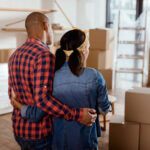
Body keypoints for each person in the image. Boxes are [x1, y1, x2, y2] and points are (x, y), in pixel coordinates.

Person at [8, 12, 97, 150]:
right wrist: (77, 115)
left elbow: (12, 95)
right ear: (46, 25)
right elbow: (43, 100)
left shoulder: (14, 55)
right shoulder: (44, 56)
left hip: (19, 130)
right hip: (39, 135)